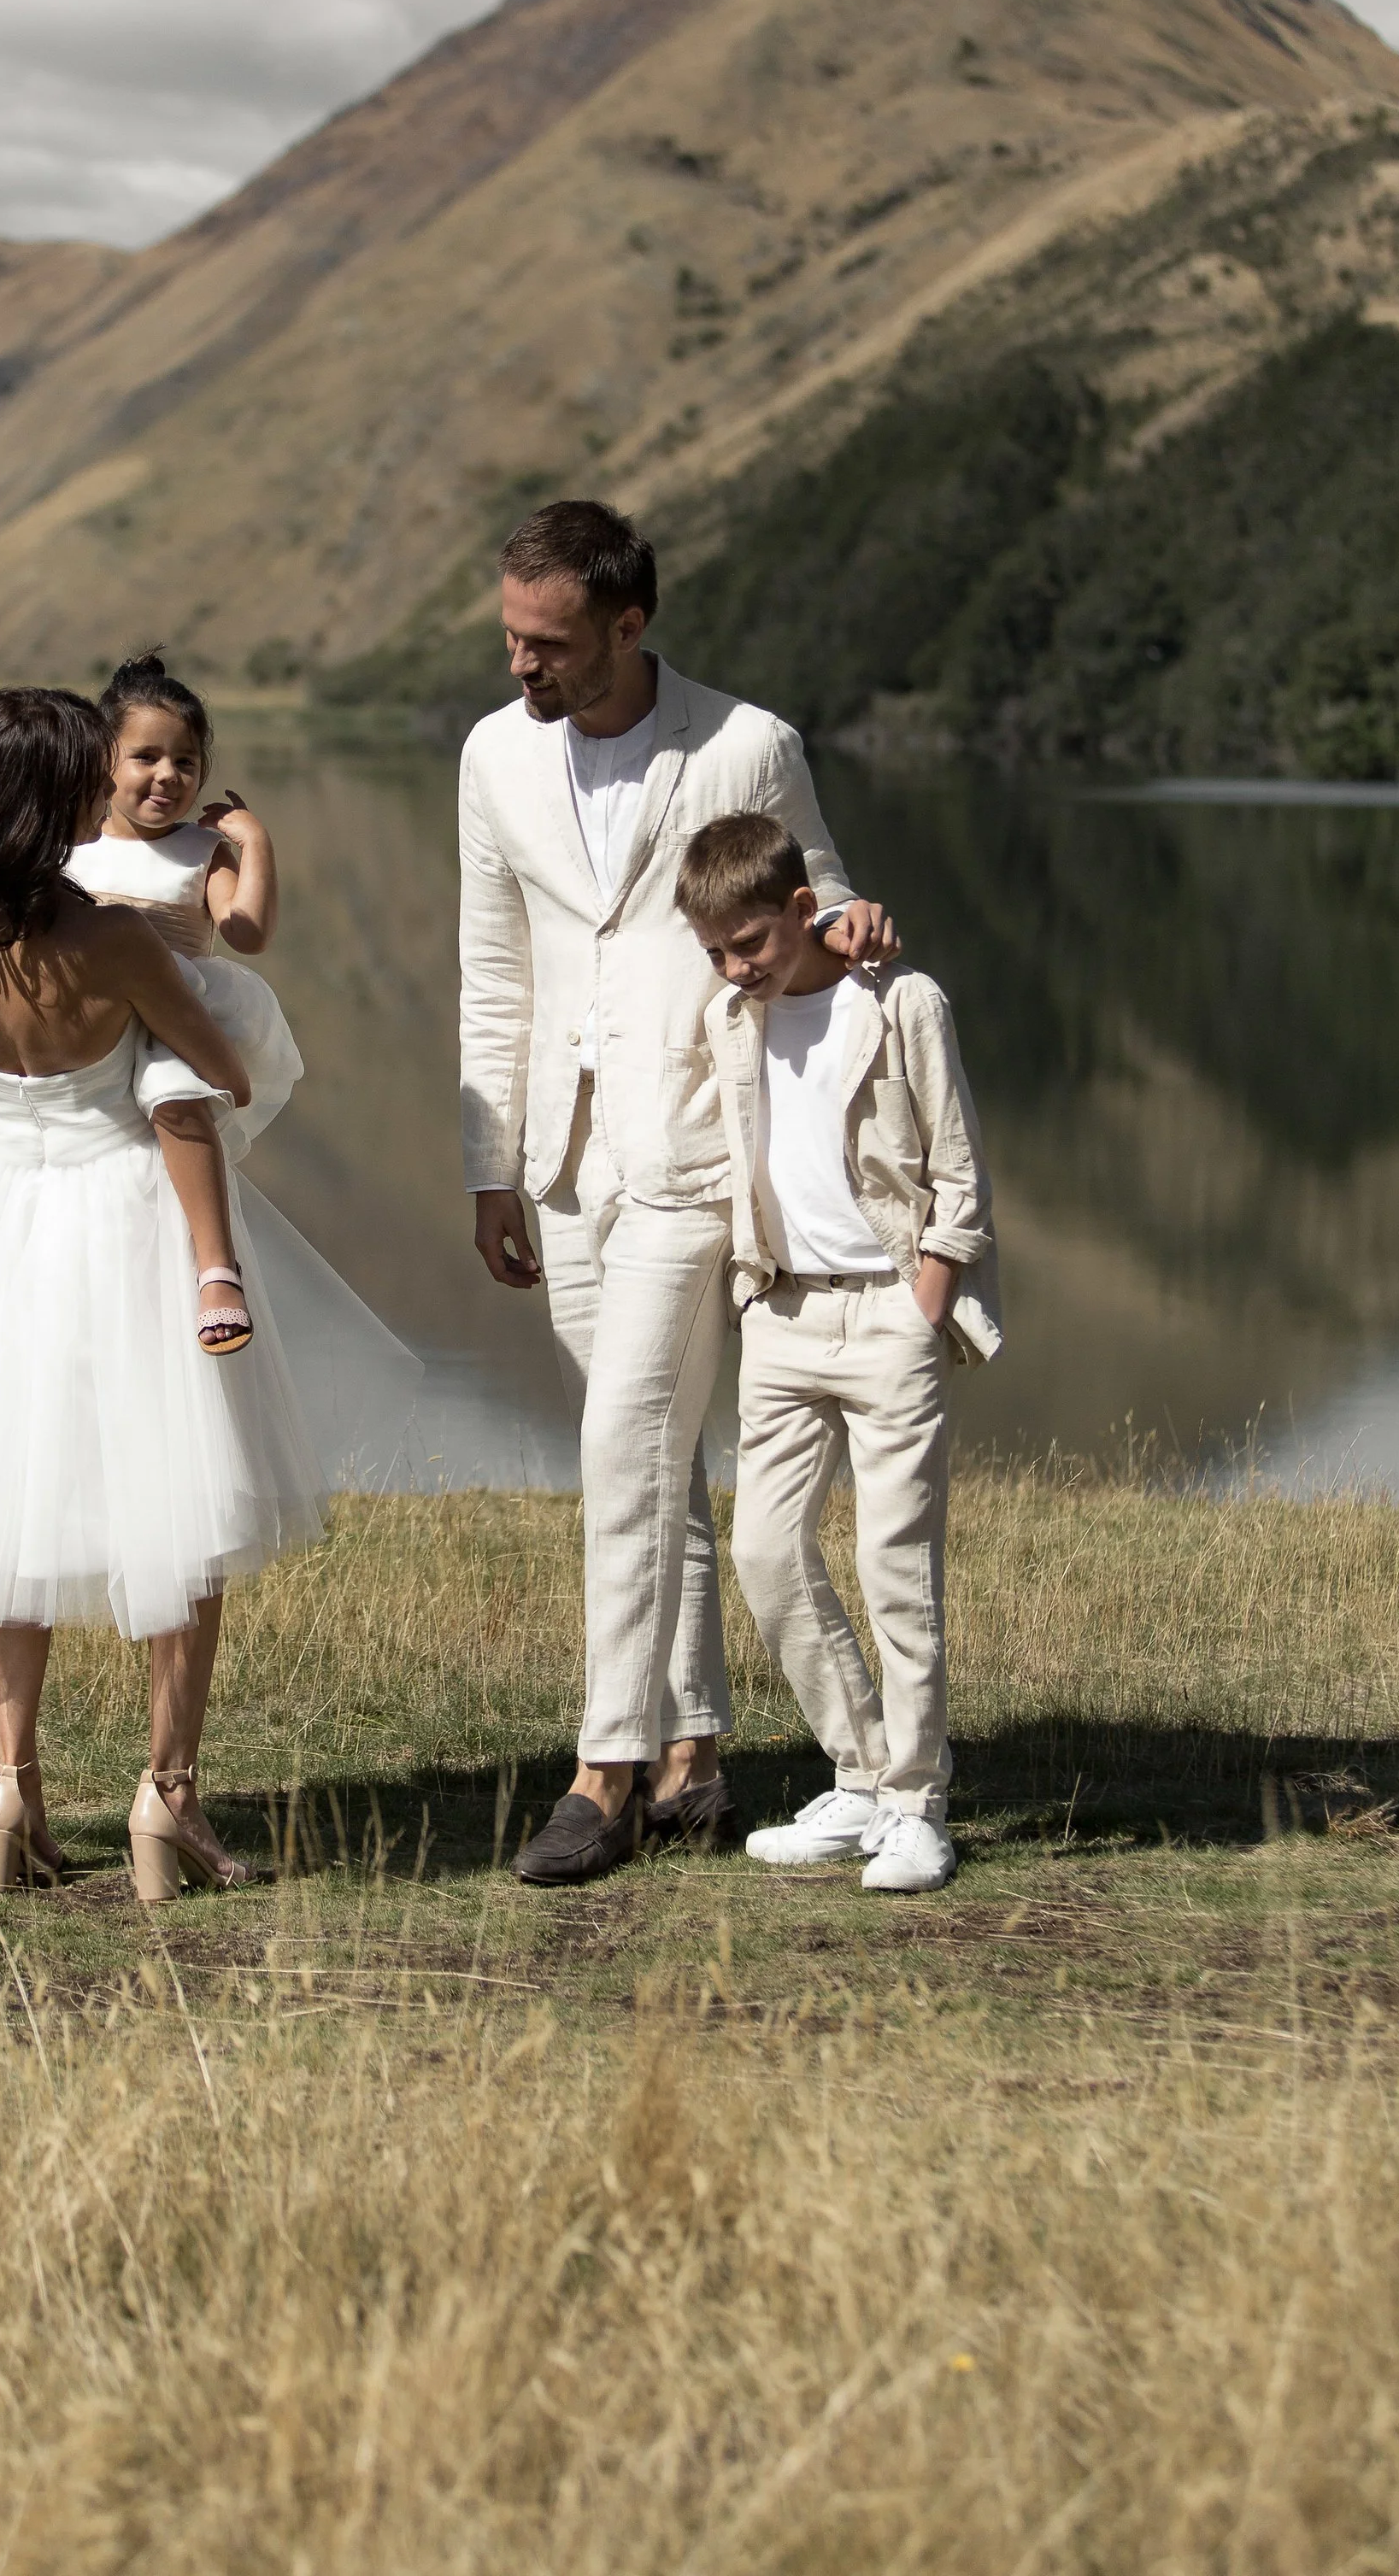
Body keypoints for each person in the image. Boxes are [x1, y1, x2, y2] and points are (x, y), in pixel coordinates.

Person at [0, 687, 340, 1904]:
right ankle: (168, 1799)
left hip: (1, 1217)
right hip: (127, 1214)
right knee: (184, 1511)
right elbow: (224, 1069)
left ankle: (10, 1787)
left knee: (11, 1513)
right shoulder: (113, 941)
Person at [456, 498, 896, 1887]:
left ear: (629, 628)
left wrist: (846, 942)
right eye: (512, 638)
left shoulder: (746, 745)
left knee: (623, 1445)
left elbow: (813, 919)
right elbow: (494, 966)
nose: (523, 666)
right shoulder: (489, 755)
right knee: (648, 1446)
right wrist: (492, 1168)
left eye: (551, 643)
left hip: (699, 1145)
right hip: (564, 1157)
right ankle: (700, 1749)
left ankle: (606, 1770)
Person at [679, 810, 1003, 1894]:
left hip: (887, 1317)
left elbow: (958, 1176)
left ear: (803, 911)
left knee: (894, 1567)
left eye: (752, 946)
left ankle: (917, 1803)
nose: (735, 969)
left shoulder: (901, 1003)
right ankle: (859, 1775)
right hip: (779, 1316)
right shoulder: (733, 1018)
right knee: (767, 1555)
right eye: (717, 952)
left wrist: (926, 1302)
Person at [0, 648, 303, 1354]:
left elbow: (244, 931)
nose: (159, 778)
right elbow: (231, 1082)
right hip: (111, 1157)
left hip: (3, 1168)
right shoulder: (106, 931)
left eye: (185, 762)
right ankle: (216, 1270)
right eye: (101, 771)